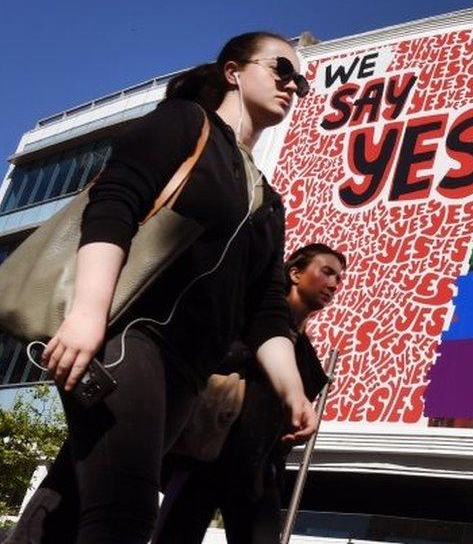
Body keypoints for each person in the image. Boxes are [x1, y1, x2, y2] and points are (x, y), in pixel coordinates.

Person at [4, 31, 317, 544]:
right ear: (233, 72)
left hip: (188, 376)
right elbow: (115, 205)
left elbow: (265, 310)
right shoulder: (185, 123)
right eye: (281, 69)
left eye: (300, 82)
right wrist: (87, 313)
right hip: (128, 335)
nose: (292, 85)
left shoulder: (269, 202)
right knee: (125, 513)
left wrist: (291, 389)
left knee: (70, 502)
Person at [152, 243, 346, 544]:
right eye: (327, 272)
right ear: (295, 273)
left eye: (340, 278)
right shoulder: (240, 321)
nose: (335, 284)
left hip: (256, 473)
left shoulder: (309, 364)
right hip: (203, 456)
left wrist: (277, 458)